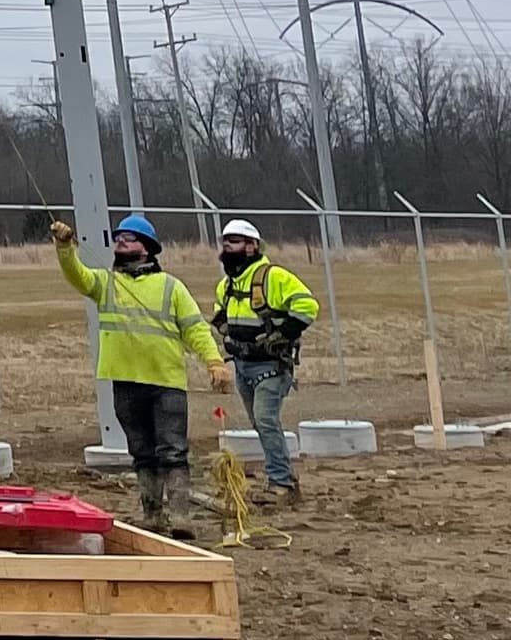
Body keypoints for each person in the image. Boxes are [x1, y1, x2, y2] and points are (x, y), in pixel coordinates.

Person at [49, 211, 229, 529]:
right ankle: (153, 516)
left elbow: (195, 329)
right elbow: (78, 275)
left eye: (127, 238)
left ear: (145, 246)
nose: (120, 241)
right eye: (118, 237)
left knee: (173, 451)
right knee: (142, 453)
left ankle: (181, 518)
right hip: (126, 382)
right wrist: (64, 248)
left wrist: (214, 362)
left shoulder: (171, 287)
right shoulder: (105, 283)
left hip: (167, 382)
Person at [211, 216, 323, 498]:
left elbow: (307, 306)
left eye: (234, 242)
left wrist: (281, 335)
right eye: (225, 242)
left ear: (252, 246)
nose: (227, 247)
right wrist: (228, 334)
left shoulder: (274, 277)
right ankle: (282, 475)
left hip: (271, 366)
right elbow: (219, 313)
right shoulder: (227, 284)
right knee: (260, 423)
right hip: (243, 365)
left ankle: (281, 482)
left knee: (265, 420)